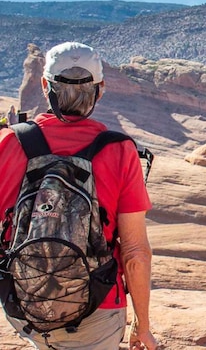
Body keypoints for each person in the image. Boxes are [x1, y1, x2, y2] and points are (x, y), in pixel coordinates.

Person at [0, 42, 157, 350]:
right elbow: (136, 252)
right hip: (97, 311)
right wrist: (143, 324)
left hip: (24, 304)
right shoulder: (119, 150)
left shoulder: (8, 144)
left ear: (45, 85)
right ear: (100, 90)